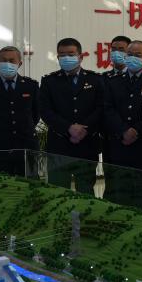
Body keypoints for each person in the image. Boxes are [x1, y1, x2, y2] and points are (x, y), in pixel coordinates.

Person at [102, 40, 142, 212]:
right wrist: (123, 131)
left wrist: (136, 131)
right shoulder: (113, 81)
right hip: (119, 146)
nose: (132, 58)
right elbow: (108, 109)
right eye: (129, 54)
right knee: (119, 193)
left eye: (138, 55)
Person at [39, 38, 104, 194]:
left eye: (71, 54)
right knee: (58, 192)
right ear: (57, 57)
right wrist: (68, 128)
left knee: (86, 193)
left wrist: (84, 129)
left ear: (80, 57)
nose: (66, 57)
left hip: (87, 146)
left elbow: (101, 108)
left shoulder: (95, 79)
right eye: (62, 54)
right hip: (59, 147)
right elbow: (45, 110)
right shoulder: (49, 81)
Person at [0, 45, 40, 177]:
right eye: (3, 60)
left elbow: (36, 114)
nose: (7, 63)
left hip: (26, 146)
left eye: (11, 60)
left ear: (19, 63)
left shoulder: (31, 85)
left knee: (30, 186)